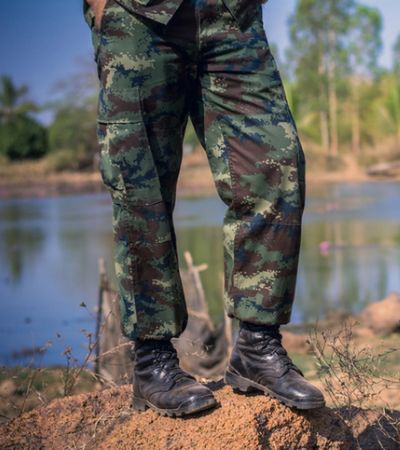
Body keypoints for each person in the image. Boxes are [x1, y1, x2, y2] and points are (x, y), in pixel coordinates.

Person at [83, 0, 324, 417]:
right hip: (140, 16)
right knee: (141, 187)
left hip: (231, 15)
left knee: (276, 164)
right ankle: (152, 361)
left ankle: (257, 346)